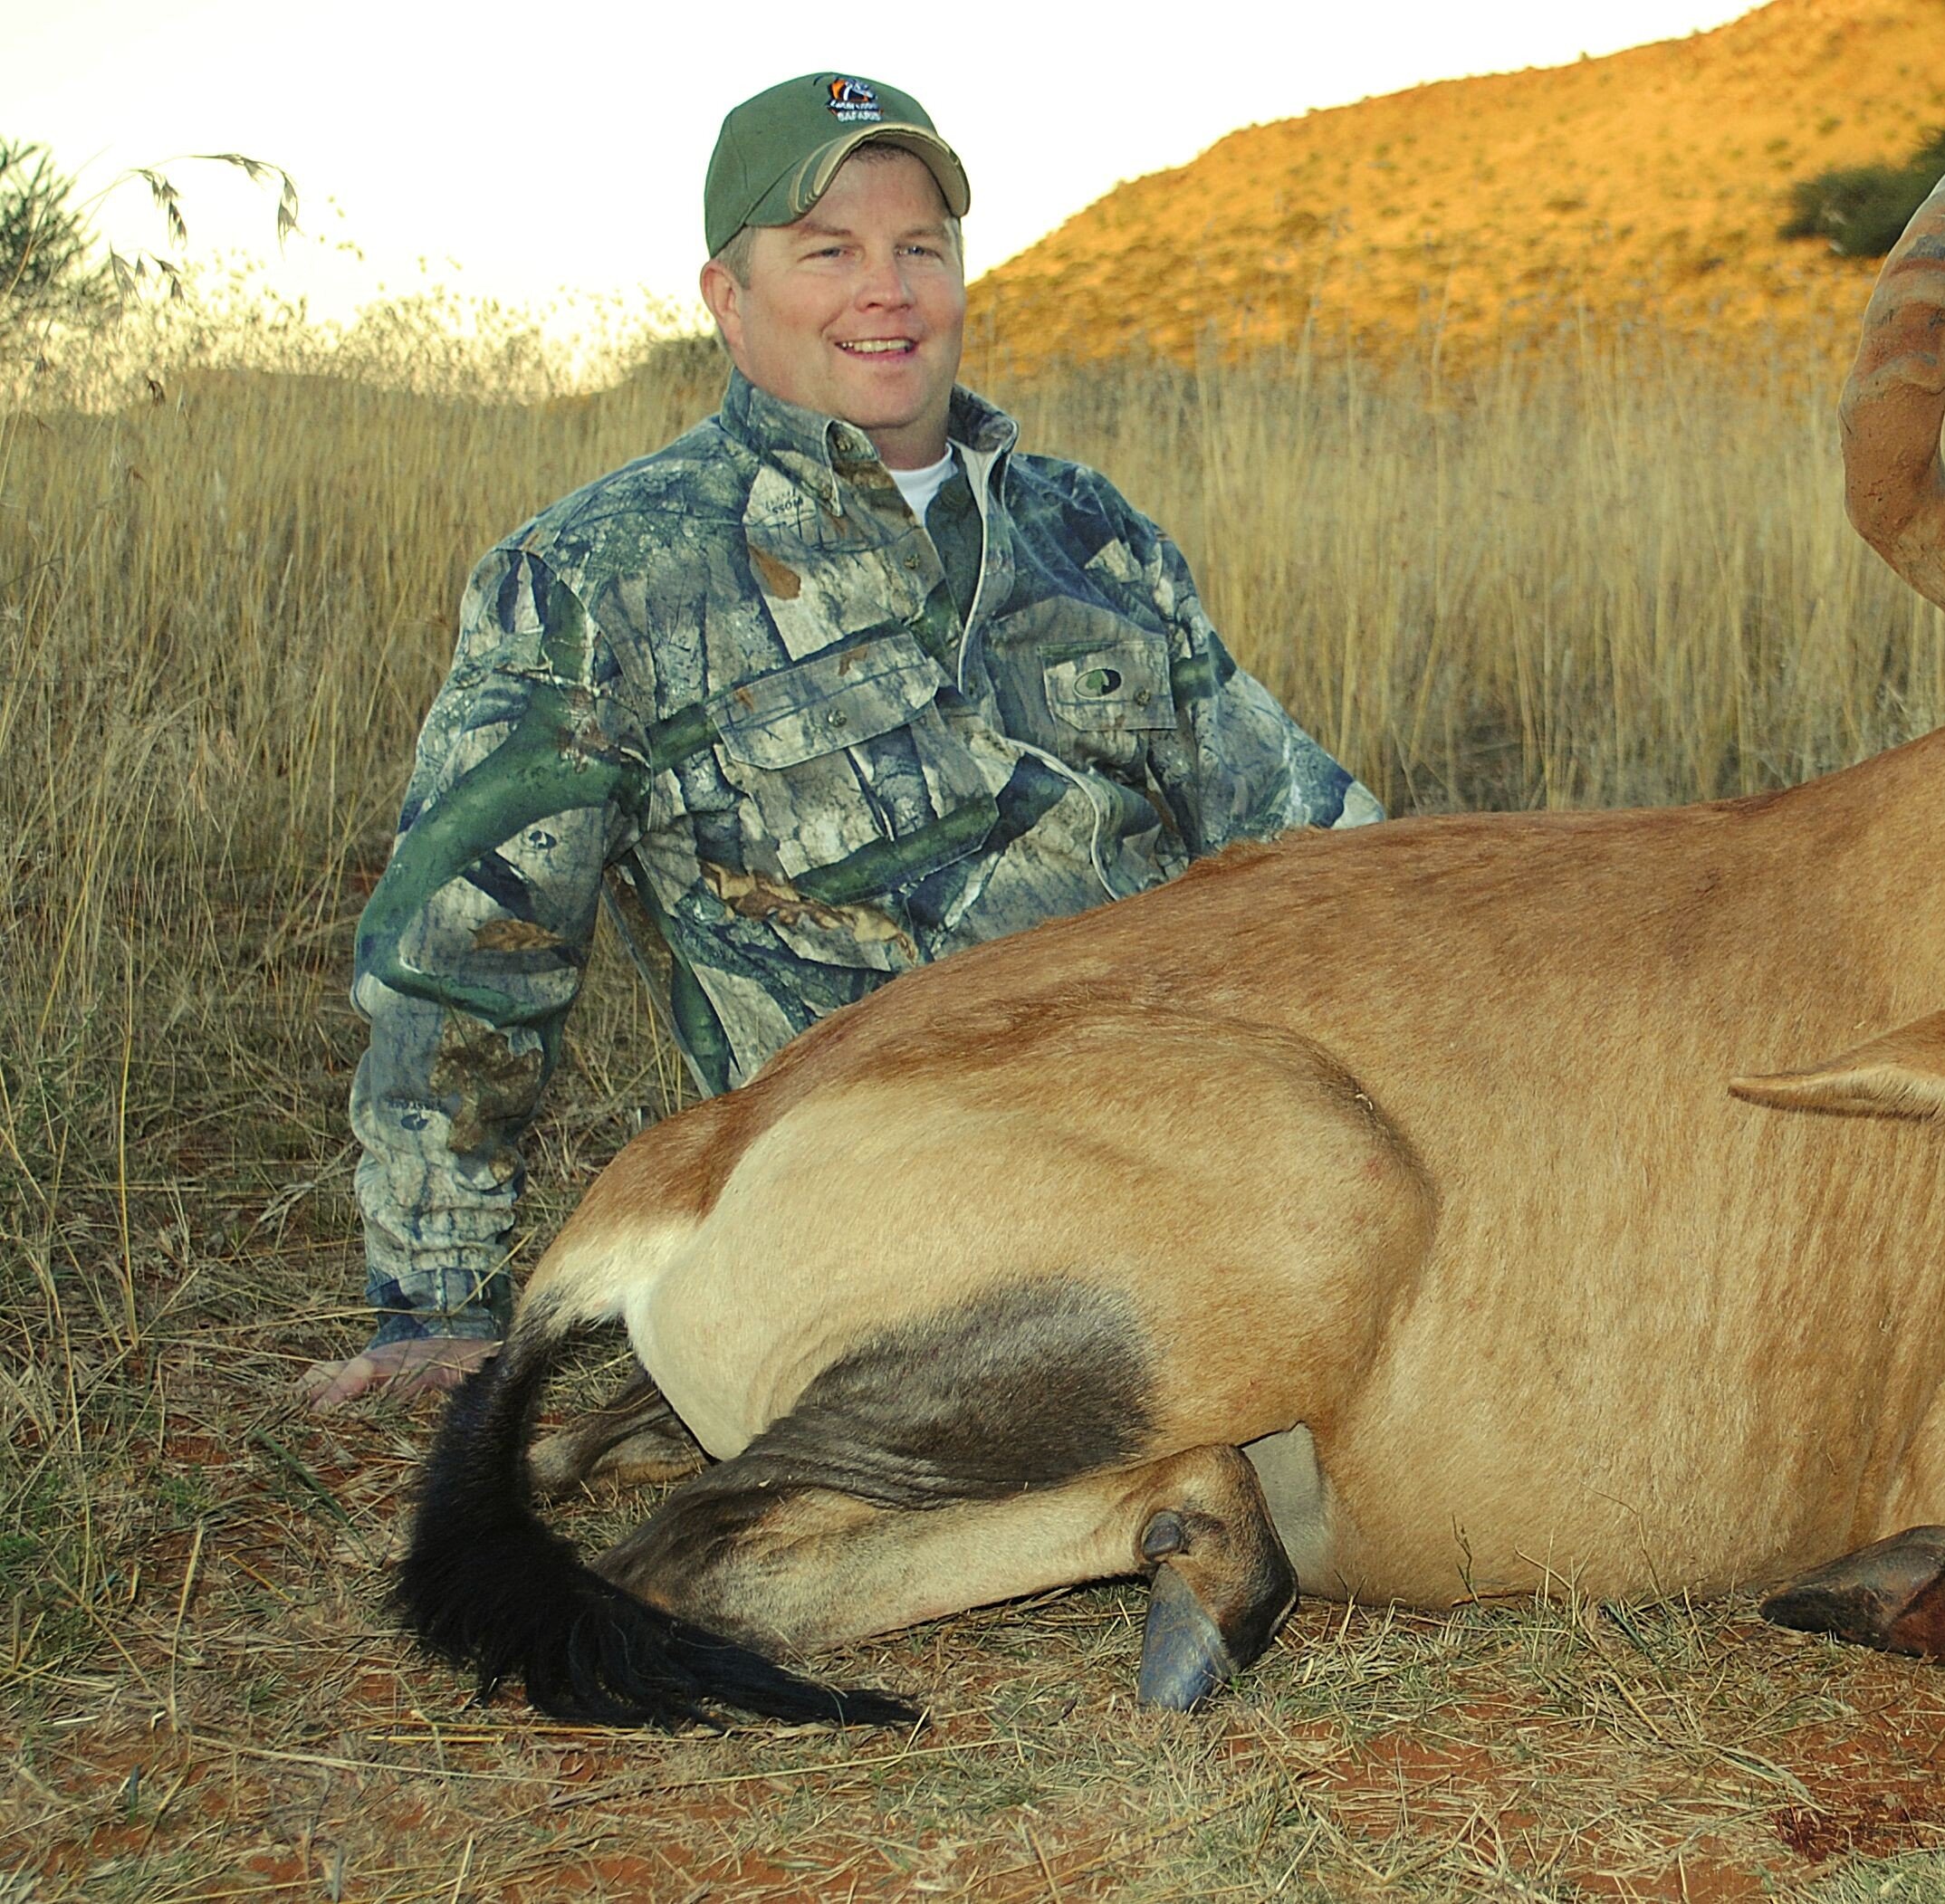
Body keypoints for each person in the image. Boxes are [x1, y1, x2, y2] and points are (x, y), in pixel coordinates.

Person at [302, 72, 1382, 1408]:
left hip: (1186, 1149)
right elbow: (469, 961)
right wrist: (432, 1304)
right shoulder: (598, 575)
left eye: (919, 247)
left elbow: (1314, 843)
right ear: (726, 299)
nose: (889, 290)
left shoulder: (1091, 535)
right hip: (884, 1222)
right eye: (830, 252)